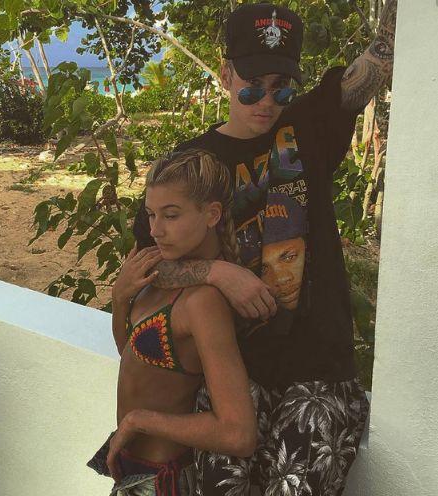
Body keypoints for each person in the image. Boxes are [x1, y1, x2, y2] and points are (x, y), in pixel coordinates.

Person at [132, 2, 398, 494]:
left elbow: (377, 63)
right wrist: (217, 272)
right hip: (233, 373)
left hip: (319, 372)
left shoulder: (309, 127)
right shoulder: (189, 166)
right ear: (225, 76)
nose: (267, 102)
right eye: (253, 86)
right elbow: (147, 265)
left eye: (282, 88)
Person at [87, 149, 257, 495]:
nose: (155, 230)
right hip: (131, 470)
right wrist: (120, 299)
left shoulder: (204, 302)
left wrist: (139, 421)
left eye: (171, 215)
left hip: (163, 480)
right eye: (151, 214)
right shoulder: (164, 271)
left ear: (211, 214)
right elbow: (132, 355)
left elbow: (238, 433)